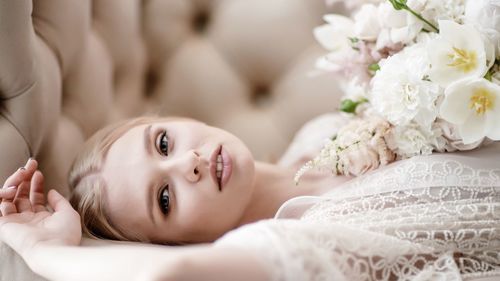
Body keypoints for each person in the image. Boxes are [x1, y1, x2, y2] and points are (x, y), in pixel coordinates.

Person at [0, 115, 499, 281]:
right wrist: (47, 253)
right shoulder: (286, 242)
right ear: (181, 243)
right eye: (166, 200)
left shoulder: (322, 131)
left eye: (164, 143)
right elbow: (166, 277)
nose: (187, 164)